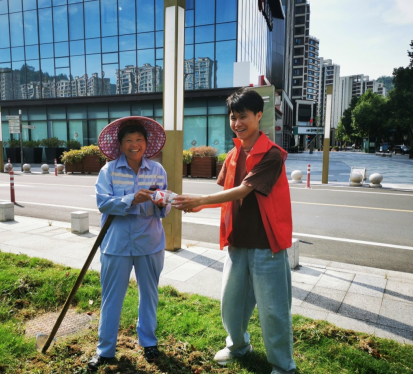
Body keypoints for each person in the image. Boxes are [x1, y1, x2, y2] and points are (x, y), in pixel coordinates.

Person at [172, 88, 296, 374]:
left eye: (243, 117)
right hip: (237, 241)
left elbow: (244, 190)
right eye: (233, 117)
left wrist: (201, 201)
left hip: (267, 244)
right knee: (232, 303)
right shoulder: (232, 154)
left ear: (258, 116)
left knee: (273, 309)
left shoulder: (273, 155)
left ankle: (283, 365)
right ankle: (238, 345)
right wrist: (196, 203)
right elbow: (228, 193)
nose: (237, 123)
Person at [88, 117, 170, 371]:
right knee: (112, 296)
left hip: (150, 241)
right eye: (129, 140)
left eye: (139, 140)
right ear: (121, 145)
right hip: (116, 243)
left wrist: (161, 203)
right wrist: (131, 199)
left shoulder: (158, 170)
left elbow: (164, 209)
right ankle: (105, 349)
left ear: (146, 143)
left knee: (149, 294)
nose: (134, 145)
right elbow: (103, 203)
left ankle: (149, 342)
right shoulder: (109, 170)